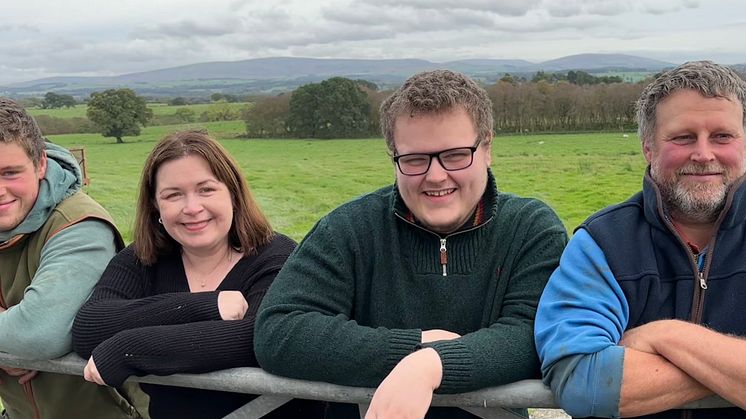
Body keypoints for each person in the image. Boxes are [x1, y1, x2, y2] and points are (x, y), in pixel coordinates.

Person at [254, 70, 568, 419]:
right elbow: (279, 331)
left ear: (487, 148)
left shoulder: (529, 228)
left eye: (454, 155)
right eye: (415, 159)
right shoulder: (349, 229)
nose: (435, 176)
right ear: (394, 157)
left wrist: (430, 365)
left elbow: (533, 335)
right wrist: (409, 347)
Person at [535, 60, 746, 418]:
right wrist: (729, 372)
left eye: (722, 136)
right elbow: (580, 379)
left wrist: (667, 337)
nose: (704, 153)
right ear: (648, 148)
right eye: (683, 137)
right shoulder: (602, 244)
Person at [72, 130, 325, 419]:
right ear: (155, 205)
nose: (192, 208)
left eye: (206, 189)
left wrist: (130, 348)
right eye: (173, 195)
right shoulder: (143, 257)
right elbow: (90, 326)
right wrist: (207, 306)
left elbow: (259, 336)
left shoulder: (278, 256)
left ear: (233, 193)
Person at [0, 98, 143, 418]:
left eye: (10, 172)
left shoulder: (78, 225)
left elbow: (39, 333)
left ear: (40, 164)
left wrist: (20, 342)